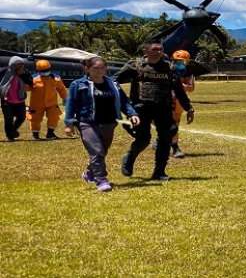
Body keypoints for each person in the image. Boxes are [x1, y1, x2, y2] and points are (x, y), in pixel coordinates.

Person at [115, 40, 194, 181]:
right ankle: (129, 157)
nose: (159, 51)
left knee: (166, 137)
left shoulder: (169, 68)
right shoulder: (136, 66)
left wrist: (189, 108)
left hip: (163, 107)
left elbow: (178, 89)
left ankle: (159, 172)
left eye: (161, 49)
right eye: (155, 49)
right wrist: (125, 103)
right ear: (146, 51)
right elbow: (114, 81)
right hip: (141, 108)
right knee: (143, 139)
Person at [64, 57, 140, 192]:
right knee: (97, 151)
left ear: (106, 68)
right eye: (95, 68)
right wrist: (69, 123)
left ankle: (90, 172)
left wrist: (132, 114)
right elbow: (71, 104)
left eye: (102, 68)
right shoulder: (78, 84)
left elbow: (124, 101)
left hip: (109, 122)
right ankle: (102, 180)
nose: (99, 71)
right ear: (87, 69)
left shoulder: (113, 84)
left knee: (102, 151)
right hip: (87, 122)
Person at [27, 59, 67, 140]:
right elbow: (25, 88)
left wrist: (65, 98)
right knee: (35, 119)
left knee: (54, 116)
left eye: (46, 70)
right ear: (38, 70)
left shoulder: (56, 79)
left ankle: (50, 133)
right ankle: (35, 135)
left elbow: (62, 89)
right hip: (36, 104)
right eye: (42, 71)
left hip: (51, 103)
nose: (45, 72)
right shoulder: (33, 79)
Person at [0, 56, 33, 141]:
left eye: (21, 64)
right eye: (18, 64)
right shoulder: (4, 71)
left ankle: (13, 130)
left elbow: (30, 83)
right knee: (8, 119)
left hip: (20, 100)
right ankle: (10, 136)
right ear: (12, 64)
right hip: (7, 100)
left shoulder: (25, 73)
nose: (20, 66)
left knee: (21, 117)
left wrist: (22, 75)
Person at [170, 50, 195, 158]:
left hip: (179, 100)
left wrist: (180, 86)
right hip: (165, 98)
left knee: (175, 123)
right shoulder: (167, 70)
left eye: (183, 61)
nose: (181, 63)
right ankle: (163, 140)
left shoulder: (188, 73)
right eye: (178, 60)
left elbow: (191, 88)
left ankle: (175, 147)